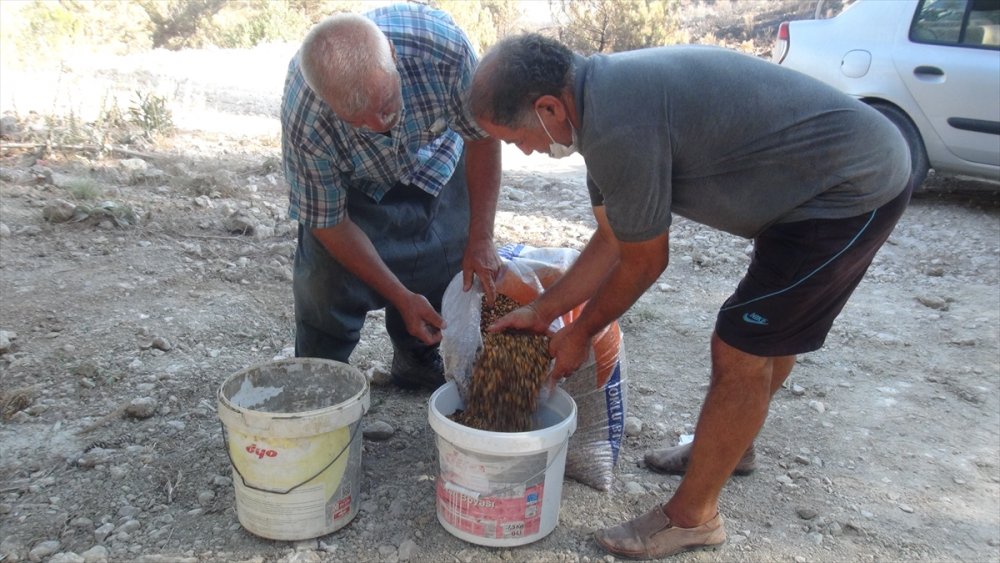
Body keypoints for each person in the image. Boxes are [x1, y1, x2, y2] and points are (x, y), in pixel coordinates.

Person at [469, 34, 913, 558]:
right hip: (806, 190)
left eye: (516, 137)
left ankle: (692, 517)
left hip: (848, 190)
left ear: (548, 108)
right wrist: (542, 312)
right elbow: (614, 239)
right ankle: (730, 447)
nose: (524, 150)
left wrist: (580, 333)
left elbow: (646, 261)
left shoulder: (617, 125)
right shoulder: (598, 103)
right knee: (765, 330)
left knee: (741, 346)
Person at [281, 4, 501, 390]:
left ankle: (417, 358)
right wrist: (399, 295)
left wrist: (480, 237)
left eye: (384, 107)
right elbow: (327, 221)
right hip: (357, 187)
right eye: (357, 121)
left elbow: (481, 137)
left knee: (446, 258)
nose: (378, 125)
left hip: (435, 164)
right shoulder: (305, 114)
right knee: (324, 285)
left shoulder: (443, 51)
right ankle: (321, 384)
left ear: (394, 58)